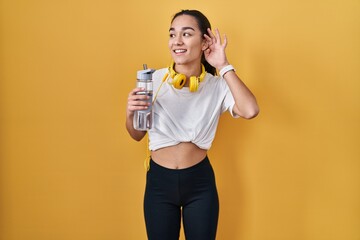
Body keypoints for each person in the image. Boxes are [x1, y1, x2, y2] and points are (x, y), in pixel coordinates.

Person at [126, 9, 259, 240]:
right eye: (172, 34)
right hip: (159, 183)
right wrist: (130, 113)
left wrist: (223, 64)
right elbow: (136, 134)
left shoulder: (217, 85)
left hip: (200, 183)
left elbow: (250, 110)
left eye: (186, 34)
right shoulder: (153, 80)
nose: (177, 41)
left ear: (204, 41)